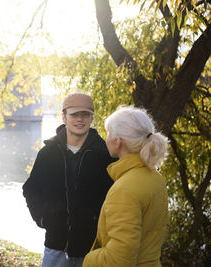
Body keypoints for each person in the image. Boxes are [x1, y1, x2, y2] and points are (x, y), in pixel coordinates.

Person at [23, 93, 115, 267]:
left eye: (85, 114)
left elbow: (115, 197)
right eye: (74, 115)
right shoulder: (48, 153)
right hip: (55, 246)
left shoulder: (105, 154)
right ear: (64, 117)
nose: (80, 119)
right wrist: (42, 218)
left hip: (92, 248)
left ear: (92, 118)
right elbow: (30, 189)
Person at [83, 106, 169, 267]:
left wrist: (88, 260)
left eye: (108, 132)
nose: (105, 138)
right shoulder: (155, 178)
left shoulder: (124, 190)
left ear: (118, 142)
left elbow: (118, 261)